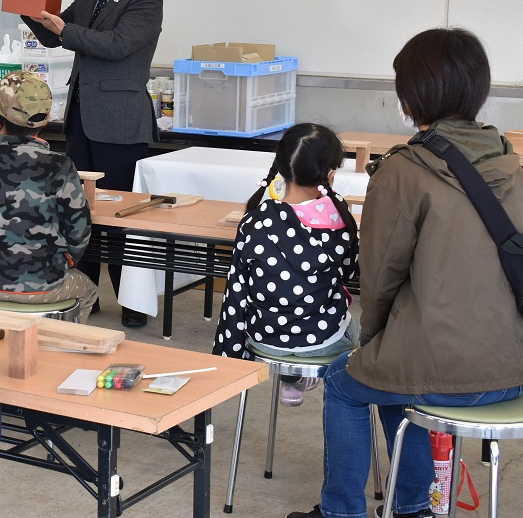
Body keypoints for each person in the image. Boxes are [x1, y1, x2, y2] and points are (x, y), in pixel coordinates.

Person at [288, 28, 523, 518]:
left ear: (414, 95)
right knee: (394, 369)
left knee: (344, 380)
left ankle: (341, 512)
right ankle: (412, 503)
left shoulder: (402, 171)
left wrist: (371, 341)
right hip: (514, 366)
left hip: (444, 366)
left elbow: (378, 280)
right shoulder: (514, 164)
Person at [13, 0, 162, 328]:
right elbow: (52, 34)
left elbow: (116, 45)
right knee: (79, 210)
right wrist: (32, 4)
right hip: (80, 116)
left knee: (120, 214)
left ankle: (132, 303)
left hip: (120, 120)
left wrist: (65, 29)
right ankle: (87, 295)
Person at [212, 123, 360, 407]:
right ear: (330, 174)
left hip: (264, 339)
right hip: (323, 338)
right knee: (360, 333)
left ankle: (291, 380)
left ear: (280, 166)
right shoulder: (339, 220)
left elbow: (236, 293)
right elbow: (351, 273)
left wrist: (230, 358)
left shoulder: (254, 222)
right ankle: (329, 388)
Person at [0, 70, 96, 322]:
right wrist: (67, 260)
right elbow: (79, 231)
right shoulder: (60, 165)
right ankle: (60, 349)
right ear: (46, 118)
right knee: (89, 291)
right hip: (46, 285)